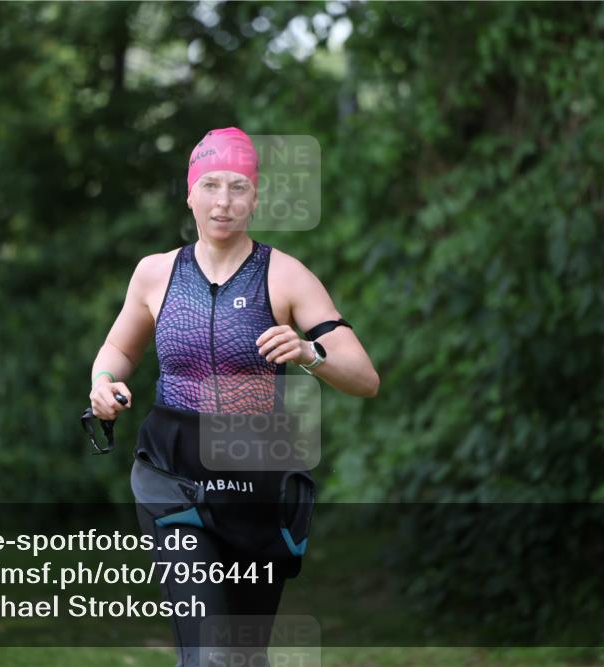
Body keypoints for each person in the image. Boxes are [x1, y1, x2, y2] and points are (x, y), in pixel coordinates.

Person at [89, 128, 379, 666]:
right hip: (171, 475)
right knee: (209, 656)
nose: (224, 201)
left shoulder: (284, 275)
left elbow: (364, 376)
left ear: (256, 197)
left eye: (239, 187)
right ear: (190, 192)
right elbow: (117, 350)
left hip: (257, 480)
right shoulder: (155, 274)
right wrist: (102, 383)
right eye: (212, 185)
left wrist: (309, 352)